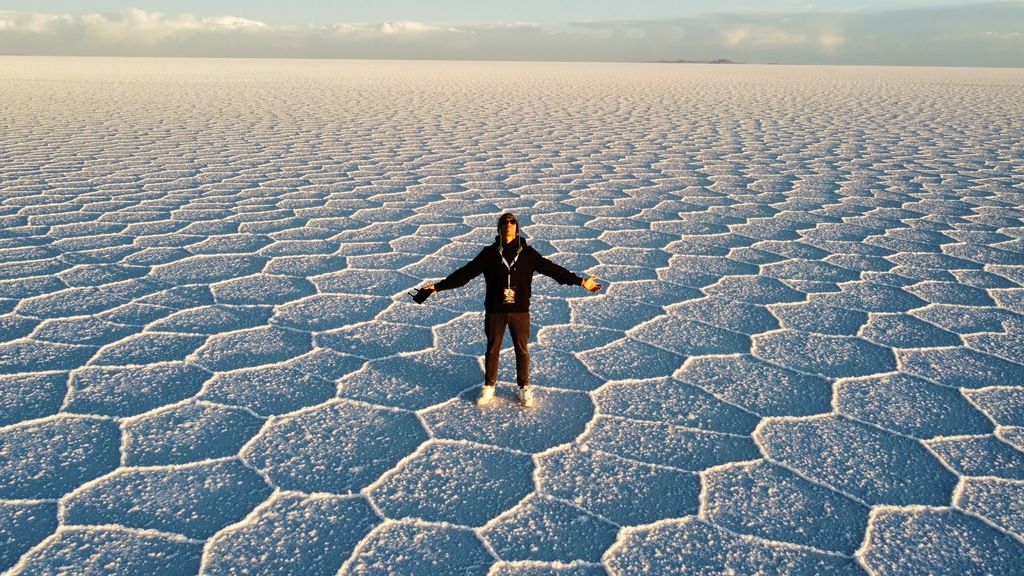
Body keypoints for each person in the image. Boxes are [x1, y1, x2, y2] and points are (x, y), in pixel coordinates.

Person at [414, 213, 601, 408]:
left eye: (512, 222)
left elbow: (554, 270)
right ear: (499, 228)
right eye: (504, 222)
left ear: (517, 228)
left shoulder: (529, 254)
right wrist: (438, 287)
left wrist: (581, 282)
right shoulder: (489, 254)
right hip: (495, 310)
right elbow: (465, 274)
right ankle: (489, 386)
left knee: (522, 350)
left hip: (520, 311)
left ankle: (524, 387)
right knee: (492, 349)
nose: (508, 225)